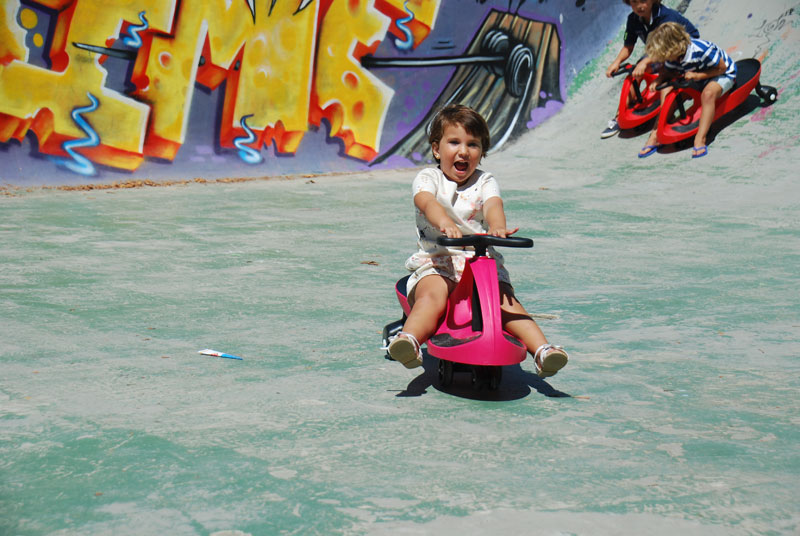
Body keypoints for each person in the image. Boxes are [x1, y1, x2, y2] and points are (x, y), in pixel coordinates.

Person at [386, 104, 568, 378]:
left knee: (506, 304)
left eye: (473, 144)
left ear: (481, 152)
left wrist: (497, 226)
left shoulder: (485, 181)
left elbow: (494, 205)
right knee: (432, 297)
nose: (463, 151)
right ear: (437, 149)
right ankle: (409, 341)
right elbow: (426, 202)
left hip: (481, 263)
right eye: (454, 142)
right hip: (438, 262)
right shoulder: (429, 178)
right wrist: (444, 222)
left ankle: (542, 351)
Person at [602, 0, 699, 139]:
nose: (638, 6)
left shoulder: (666, 17)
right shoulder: (633, 19)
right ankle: (619, 117)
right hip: (660, 52)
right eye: (634, 2)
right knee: (634, 73)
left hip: (684, 50)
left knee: (645, 65)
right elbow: (628, 47)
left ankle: (672, 105)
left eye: (643, 1)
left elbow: (668, 46)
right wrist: (616, 62)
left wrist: (645, 62)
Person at [644, 22, 737, 158]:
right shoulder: (672, 58)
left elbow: (721, 68)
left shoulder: (701, 50)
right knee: (672, 94)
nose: (663, 58)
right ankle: (655, 133)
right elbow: (669, 73)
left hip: (722, 74)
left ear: (673, 47)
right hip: (696, 78)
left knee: (708, 94)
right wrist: (659, 79)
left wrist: (697, 76)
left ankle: (700, 138)